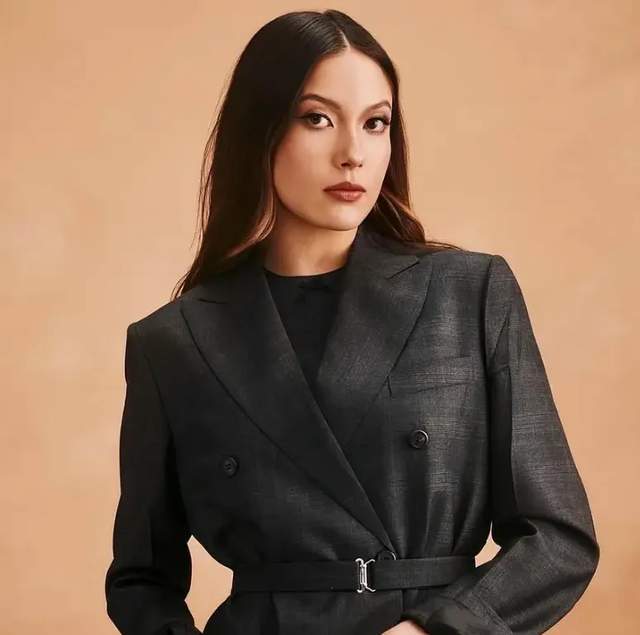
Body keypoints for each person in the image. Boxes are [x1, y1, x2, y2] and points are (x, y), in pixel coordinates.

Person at [104, 9, 599, 635]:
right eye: (318, 118)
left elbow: (557, 539)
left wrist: (436, 630)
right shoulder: (173, 342)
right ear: (260, 131)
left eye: (375, 123)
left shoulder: (468, 293)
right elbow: (141, 579)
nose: (353, 154)